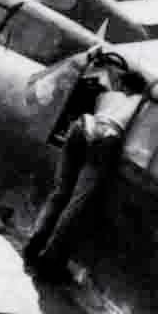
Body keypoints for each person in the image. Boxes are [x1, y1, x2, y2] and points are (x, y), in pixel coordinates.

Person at [23, 60, 137, 274]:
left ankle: (33, 246)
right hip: (107, 136)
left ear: (123, 84)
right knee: (78, 201)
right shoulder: (140, 105)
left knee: (60, 191)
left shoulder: (107, 95)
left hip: (83, 125)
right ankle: (50, 262)